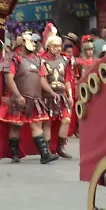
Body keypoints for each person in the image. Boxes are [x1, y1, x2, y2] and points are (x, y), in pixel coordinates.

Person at [0, 30, 58, 164]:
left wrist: (52, 92)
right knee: (16, 126)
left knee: (37, 124)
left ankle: (45, 154)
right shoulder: (12, 58)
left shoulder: (37, 59)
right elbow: (9, 79)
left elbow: (42, 79)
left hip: (35, 98)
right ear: (23, 43)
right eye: (31, 41)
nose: (34, 44)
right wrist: (17, 95)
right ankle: (15, 154)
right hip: (19, 98)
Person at [40, 25, 75, 159]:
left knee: (66, 119)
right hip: (47, 95)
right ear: (49, 46)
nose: (58, 48)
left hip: (62, 95)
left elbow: (67, 79)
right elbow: (41, 79)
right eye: (54, 46)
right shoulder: (42, 60)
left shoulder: (65, 60)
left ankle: (60, 148)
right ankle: (48, 150)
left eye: (59, 46)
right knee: (47, 122)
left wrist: (70, 95)